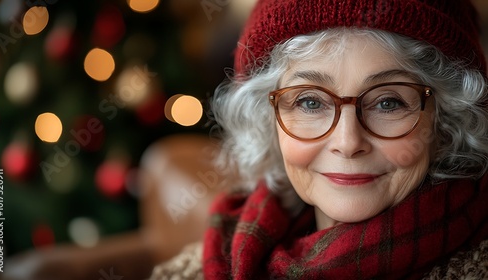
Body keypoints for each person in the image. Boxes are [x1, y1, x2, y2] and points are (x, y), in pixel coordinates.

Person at [151, 0, 488, 279]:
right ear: (269, 123)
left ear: (446, 123)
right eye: (310, 102)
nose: (347, 141)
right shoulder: (205, 266)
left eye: (388, 102)